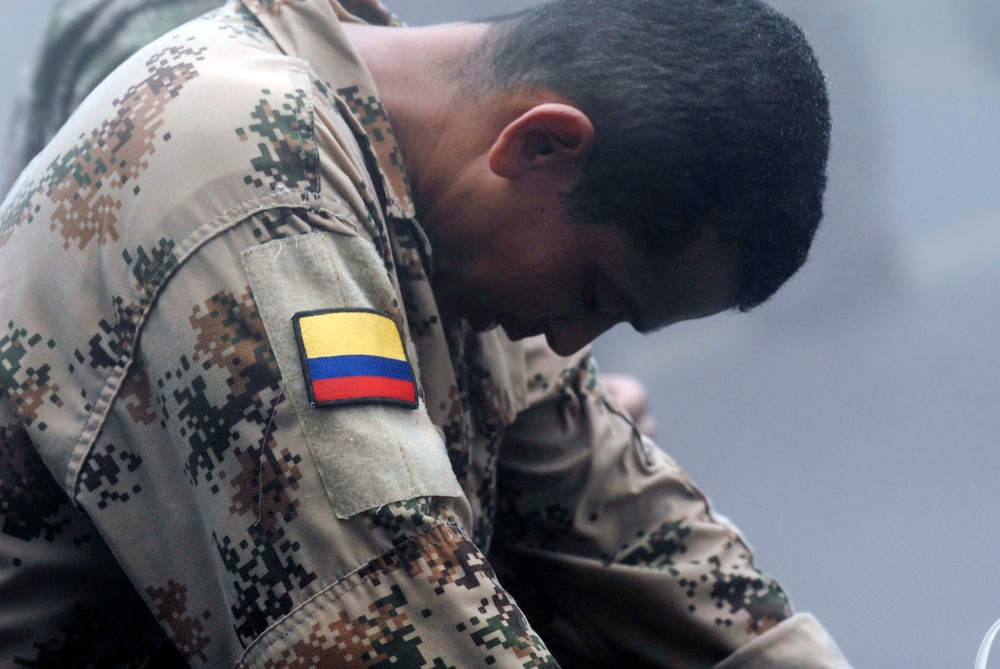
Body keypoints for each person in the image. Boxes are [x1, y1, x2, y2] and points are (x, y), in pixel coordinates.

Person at [0, 0, 846, 666]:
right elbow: (383, 621)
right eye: (596, 291)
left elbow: (626, 532)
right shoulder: (254, 177)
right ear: (541, 144)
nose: (567, 339)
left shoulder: (429, 191)